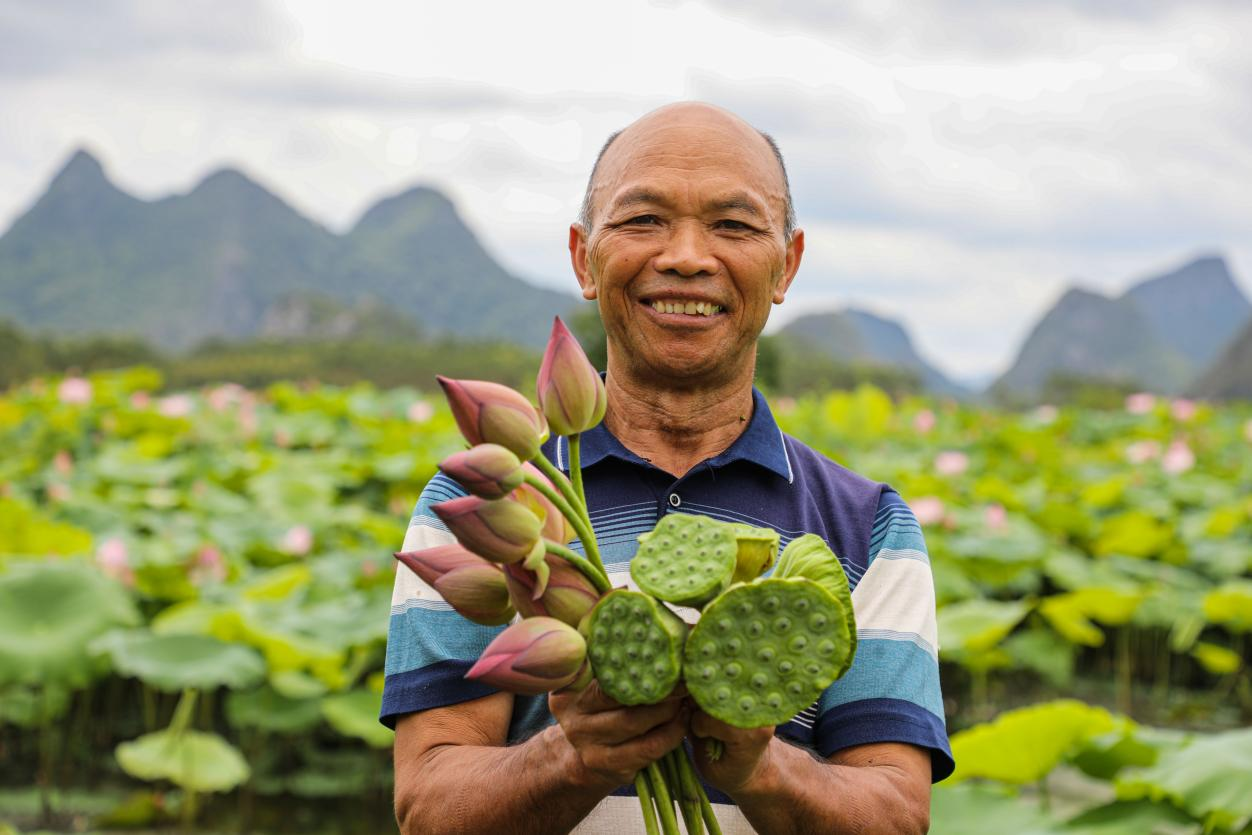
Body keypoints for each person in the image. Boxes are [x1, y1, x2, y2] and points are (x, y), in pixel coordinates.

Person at [382, 102, 952, 834]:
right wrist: (574, 754)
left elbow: (898, 815)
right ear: (583, 258)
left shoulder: (868, 524)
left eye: (734, 225)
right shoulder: (487, 506)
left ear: (788, 264)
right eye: (643, 220)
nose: (686, 255)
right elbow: (426, 806)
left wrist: (757, 763)